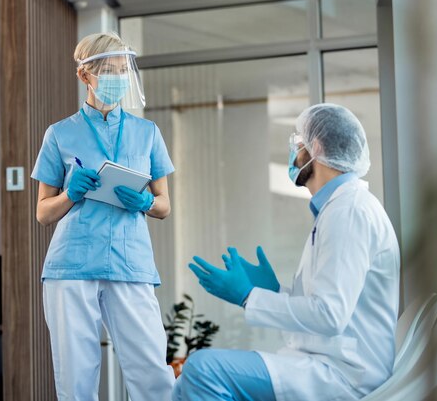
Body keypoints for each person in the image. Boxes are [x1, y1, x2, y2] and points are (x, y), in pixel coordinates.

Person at [177, 104, 400, 401]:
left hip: (344, 376)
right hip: (327, 363)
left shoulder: (349, 211)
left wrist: (249, 296)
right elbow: (326, 309)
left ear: (316, 147)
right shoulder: (337, 209)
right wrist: (275, 291)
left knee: (201, 371)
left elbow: (330, 315)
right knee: (183, 384)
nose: (293, 154)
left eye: (298, 144)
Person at [31, 32, 175, 401]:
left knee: (153, 374)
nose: (117, 78)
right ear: (85, 76)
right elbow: (43, 213)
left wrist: (143, 203)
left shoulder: (147, 133)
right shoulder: (59, 134)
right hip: (71, 267)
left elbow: (164, 204)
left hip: (131, 264)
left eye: (122, 70)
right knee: (76, 379)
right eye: (108, 70)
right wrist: (69, 193)